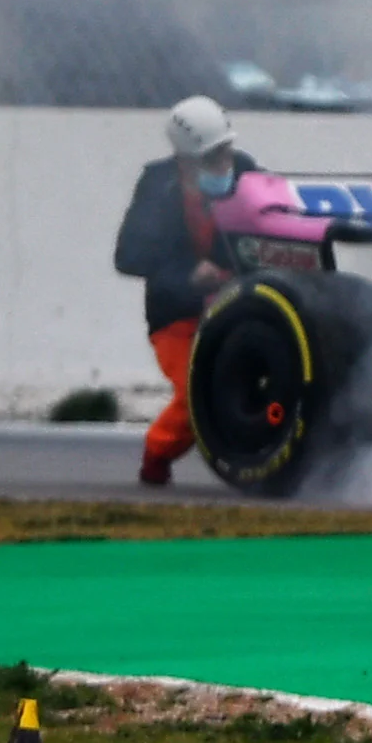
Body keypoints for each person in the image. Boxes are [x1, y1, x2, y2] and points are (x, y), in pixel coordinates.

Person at [113, 95, 258, 487]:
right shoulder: (156, 186)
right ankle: (156, 455)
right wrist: (189, 276)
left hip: (234, 308)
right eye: (212, 156)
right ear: (185, 158)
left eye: (226, 150)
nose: (224, 163)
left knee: (243, 382)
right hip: (177, 317)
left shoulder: (247, 172)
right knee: (199, 388)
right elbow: (128, 256)